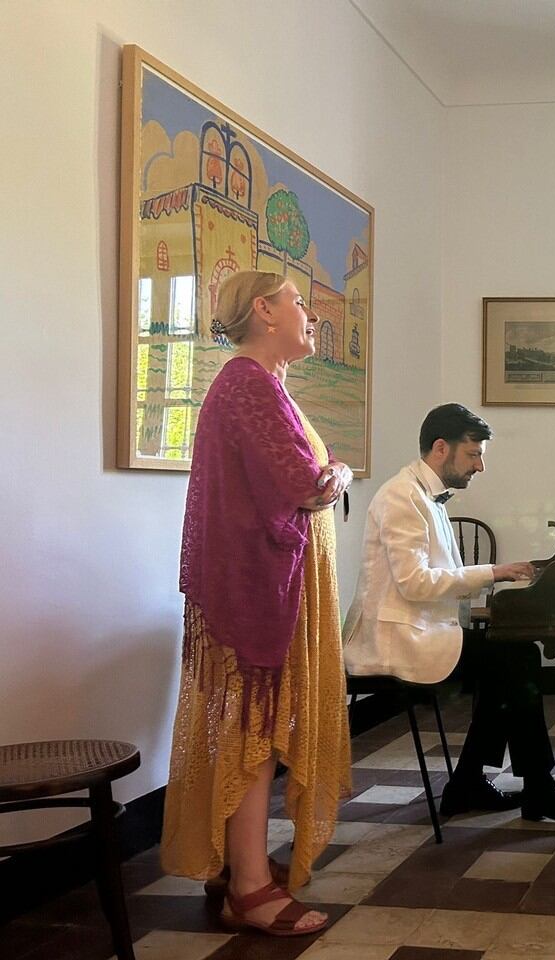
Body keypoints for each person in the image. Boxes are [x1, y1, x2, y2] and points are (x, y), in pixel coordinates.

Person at [161, 271, 353, 937]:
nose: (307, 314)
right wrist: (343, 474)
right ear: (265, 311)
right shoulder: (247, 380)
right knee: (254, 736)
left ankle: (242, 869)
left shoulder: (258, 382)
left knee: (254, 736)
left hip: (263, 584)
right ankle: (249, 886)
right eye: (298, 302)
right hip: (256, 591)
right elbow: (305, 484)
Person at [344, 403, 555, 821]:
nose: (480, 466)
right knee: (513, 657)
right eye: (473, 454)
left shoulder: (423, 494)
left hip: (422, 630)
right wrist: (493, 573)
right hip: (395, 641)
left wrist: (499, 576)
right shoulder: (401, 496)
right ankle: (533, 787)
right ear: (441, 448)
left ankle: (471, 784)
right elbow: (415, 582)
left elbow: (435, 576)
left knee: (507, 657)